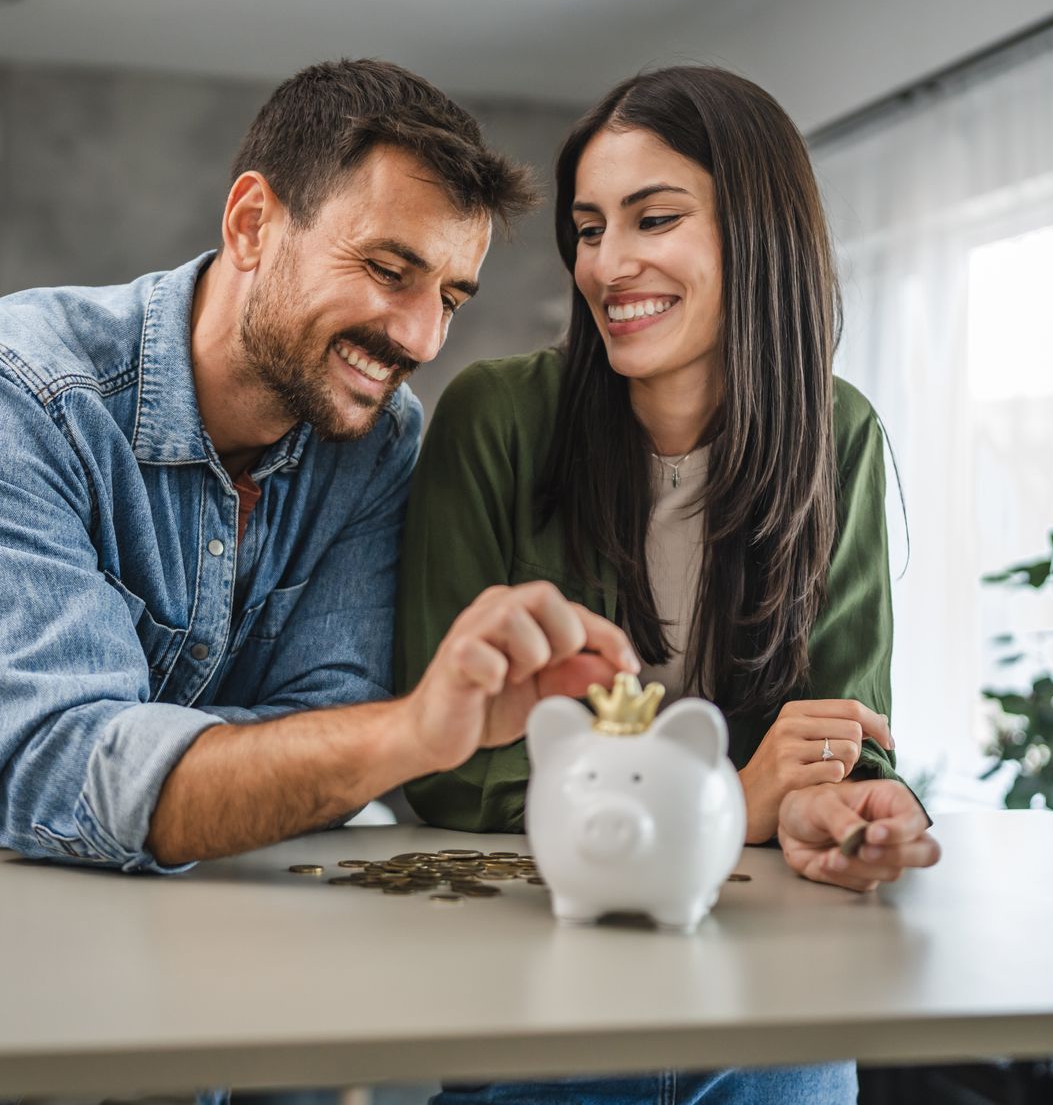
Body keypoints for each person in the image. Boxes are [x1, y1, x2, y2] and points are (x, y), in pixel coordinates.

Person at [0, 58, 639, 870]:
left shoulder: (377, 439)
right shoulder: (6, 397)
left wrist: (1, 785)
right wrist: (49, 769)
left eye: (451, 299)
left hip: (214, 930)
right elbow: (327, 749)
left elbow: (336, 731)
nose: (423, 340)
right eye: (389, 272)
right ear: (252, 224)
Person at [393, 66, 942, 1104]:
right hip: (543, 976)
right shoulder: (495, 420)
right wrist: (728, 804)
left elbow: (845, 729)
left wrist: (856, 807)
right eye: (590, 228)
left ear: (760, 232)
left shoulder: (842, 435)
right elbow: (449, 767)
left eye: (654, 218)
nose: (609, 263)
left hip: (765, 975)